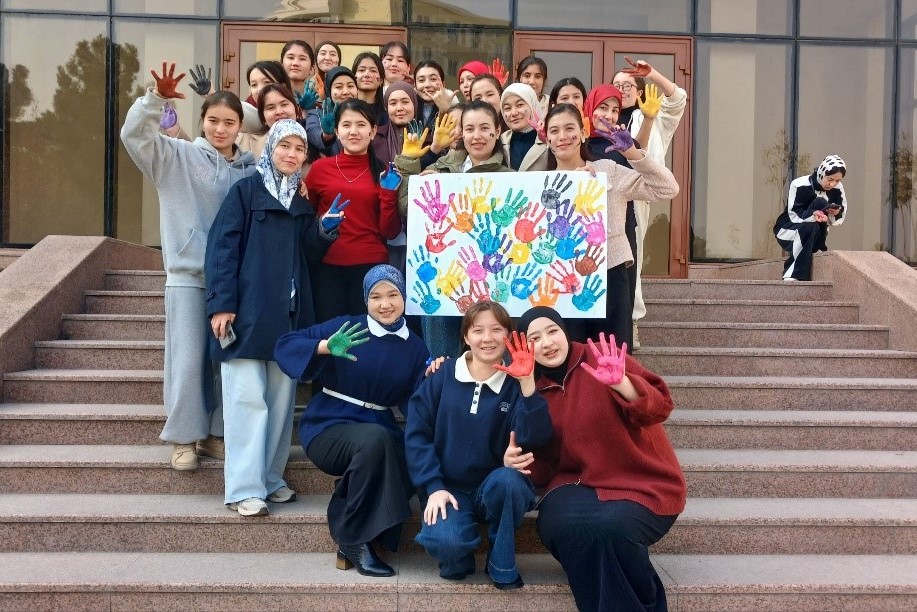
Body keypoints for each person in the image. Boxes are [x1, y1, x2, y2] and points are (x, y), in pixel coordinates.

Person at [120, 62, 256, 471]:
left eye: (229, 122)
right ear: (202, 120)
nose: (220, 129)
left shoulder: (250, 169)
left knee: (224, 361)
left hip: (233, 282)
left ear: (239, 127)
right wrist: (154, 99)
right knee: (187, 359)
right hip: (189, 277)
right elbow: (133, 135)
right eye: (213, 120)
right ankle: (182, 437)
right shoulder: (175, 156)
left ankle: (214, 435)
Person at [205, 119, 338, 517]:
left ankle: (270, 478)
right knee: (247, 402)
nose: (292, 154)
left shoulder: (300, 203)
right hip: (246, 315)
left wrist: (324, 231)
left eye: (300, 149)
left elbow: (305, 257)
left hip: (288, 316)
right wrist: (221, 303)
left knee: (280, 406)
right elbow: (222, 250)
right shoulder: (245, 192)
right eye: (286, 146)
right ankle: (244, 488)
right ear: (271, 148)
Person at [518, 307, 686, 612]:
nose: (547, 343)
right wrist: (514, 461)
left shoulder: (600, 357)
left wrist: (622, 383)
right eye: (535, 338)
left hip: (642, 484)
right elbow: (542, 466)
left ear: (565, 331)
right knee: (559, 526)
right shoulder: (534, 388)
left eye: (552, 331)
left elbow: (660, 407)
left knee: (609, 528)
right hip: (577, 486)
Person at [273, 265, 430, 576]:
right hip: (328, 424)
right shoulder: (348, 327)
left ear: (404, 297)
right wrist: (325, 347)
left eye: (393, 295)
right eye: (376, 297)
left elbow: (416, 403)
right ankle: (356, 540)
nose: (385, 304)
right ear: (366, 300)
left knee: (407, 455)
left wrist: (434, 377)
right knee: (376, 440)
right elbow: (284, 345)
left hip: (378, 428)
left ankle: (354, 525)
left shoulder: (415, 346)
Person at [405, 301, 552, 589]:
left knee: (510, 481)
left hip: (494, 485)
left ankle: (500, 562)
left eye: (497, 330)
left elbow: (536, 436)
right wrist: (433, 486)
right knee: (446, 543)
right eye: (478, 330)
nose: (487, 338)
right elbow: (416, 434)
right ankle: (459, 554)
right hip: (449, 488)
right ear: (465, 337)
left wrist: (526, 383)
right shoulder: (442, 375)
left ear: (509, 336)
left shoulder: (515, 382)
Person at [543, 103, 678, 348]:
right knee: (568, 360)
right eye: (554, 131)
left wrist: (632, 153)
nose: (562, 137)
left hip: (610, 277)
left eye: (569, 128)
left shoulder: (607, 171)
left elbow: (668, 188)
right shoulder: (540, 185)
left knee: (611, 359)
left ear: (583, 132)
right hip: (559, 284)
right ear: (546, 138)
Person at [395, 100, 511, 358]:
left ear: (496, 131)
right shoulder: (440, 169)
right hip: (443, 286)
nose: (477, 136)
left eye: (484, 128)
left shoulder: (512, 177)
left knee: (494, 364)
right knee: (441, 364)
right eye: (469, 129)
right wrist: (418, 182)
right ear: (461, 133)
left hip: (492, 291)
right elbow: (406, 210)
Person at [612, 57, 687, 348]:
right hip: (614, 195)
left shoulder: (652, 118)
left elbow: (678, 98)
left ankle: (632, 321)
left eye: (628, 84)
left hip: (640, 195)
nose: (622, 89)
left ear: (639, 89)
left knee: (634, 256)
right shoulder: (609, 118)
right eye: (617, 85)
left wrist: (652, 74)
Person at [305, 98, 403, 321]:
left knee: (368, 338)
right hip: (328, 268)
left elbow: (390, 231)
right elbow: (307, 217)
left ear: (372, 131)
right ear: (337, 132)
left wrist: (388, 194)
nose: (354, 131)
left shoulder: (384, 171)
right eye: (346, 125)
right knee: (330, 335)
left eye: (361, 124)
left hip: (371, 268)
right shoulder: (320, 169)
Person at [582, 84, 639, 343]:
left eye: (615, 109)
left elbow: (647, 179)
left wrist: (631, 151)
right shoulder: (577, 144)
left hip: (620, 230)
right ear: (589, 109)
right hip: (583, 236)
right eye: (603, 107)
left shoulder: (625, 143)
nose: (609, 115)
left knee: (618, 307)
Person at [774, 155, 848, 281]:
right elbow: (794, 214)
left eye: (837, 181)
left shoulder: (837, 189)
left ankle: (816, 247)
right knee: (811, 220)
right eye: (830, 179)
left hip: (814, 234)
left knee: (820, 206)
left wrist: (834, 213)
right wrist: (813, 215)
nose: (833, 184)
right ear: (821, 173)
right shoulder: (799, 184)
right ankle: (792, 274)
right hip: (787, 229)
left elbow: (838, 218)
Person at [305, 66, 359, 160]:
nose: (346, 92)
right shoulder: (316, 113)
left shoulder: (363, 114)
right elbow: (313, 134)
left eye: (350, 86)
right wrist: (327, 135)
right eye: (338, 87)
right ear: (329, 90)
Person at [236, 82, 299, 159]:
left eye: (284, 105)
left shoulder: (311, 143)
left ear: (295, 109)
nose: (279, 112)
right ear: (263, 117)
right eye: (271, 108)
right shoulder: (243, 143)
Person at [500, 83, 547, 171]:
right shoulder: (500, 141)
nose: (514, 113)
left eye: (520, 105)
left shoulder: (547, 138)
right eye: (507, 108)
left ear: (532, 105)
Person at [413, 60, 458, 136]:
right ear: (415, 85)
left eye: (433, 79)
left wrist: (444, 111)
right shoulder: (409, 106)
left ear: (443, 84)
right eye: (421, 80)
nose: (427, 85)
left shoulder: (453, 107)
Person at [352, 51, 386, 124]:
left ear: (381, 80)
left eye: (373, 71)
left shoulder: (387, 114)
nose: (367, 74)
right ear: (354, 78)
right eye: (361, 70)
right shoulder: (346, 109)